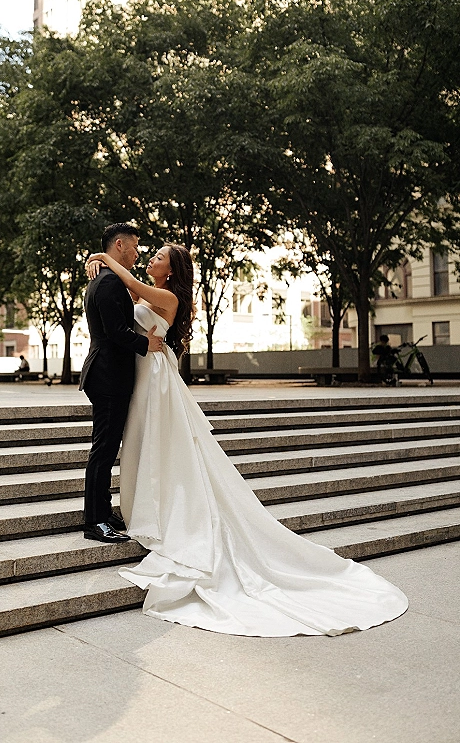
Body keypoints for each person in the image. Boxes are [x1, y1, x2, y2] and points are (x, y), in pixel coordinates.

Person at [85, 244, 409, 638]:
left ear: (171, 271)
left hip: (155, 378)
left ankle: (169, 513)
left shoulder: (165, 295)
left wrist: (104, 259)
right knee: (142, 446)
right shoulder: (144, 292)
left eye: (158, 258)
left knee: (161, 447)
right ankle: (145, 508)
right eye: (149, 255)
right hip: (141, 375)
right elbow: (124, 299)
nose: (151, 258)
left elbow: (130, 282)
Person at [80, 223, 165, 544]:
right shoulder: (109, 282)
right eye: (135, 247)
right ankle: (95, 521)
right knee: (103, 449)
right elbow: (116, 330)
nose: (138, 252)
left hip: (108, 374)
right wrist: (147, 345)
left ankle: (102, 510)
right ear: (119, 245)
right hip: (107, 376)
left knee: (107, 447)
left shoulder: (108, 278)